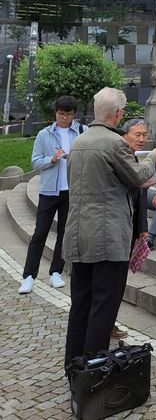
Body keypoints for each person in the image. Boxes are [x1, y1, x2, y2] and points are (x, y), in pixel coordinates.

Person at [64, 88, 156, 364]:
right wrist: (152, 158)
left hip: (77, 234)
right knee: (104, 304)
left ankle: (73, 362)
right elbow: (136, 176)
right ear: (118, 114)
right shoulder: (114, 143)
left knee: (81, 302)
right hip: (107, 237)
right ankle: (94, 366)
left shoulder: (79, 142)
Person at [18, 96, 83, 295]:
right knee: (40, 233)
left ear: (74, 114)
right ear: (55, 113)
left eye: (68, 114)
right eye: (61, 114)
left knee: (64, 233)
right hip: (49, 191)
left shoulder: (82, 132)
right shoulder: (44, 134)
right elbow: (35, 162)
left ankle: (56, 272)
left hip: (71, 190)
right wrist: (52, 159)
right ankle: (29, 276)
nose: (64, 118)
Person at [113, 118, 155, 340]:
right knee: (114, 281)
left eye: (144, 134)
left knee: (120, 279)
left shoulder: (134, 157)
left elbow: (140, 195)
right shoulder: (121, 156)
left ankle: (109, 322)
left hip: (131, 225)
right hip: (118, 226)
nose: (141, 139)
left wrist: (142, 227)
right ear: (125, 134)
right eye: (137, 134)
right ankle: (107, 324)